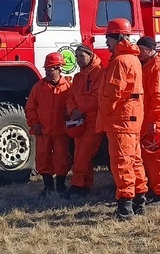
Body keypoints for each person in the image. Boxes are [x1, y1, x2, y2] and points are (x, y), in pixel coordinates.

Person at [97, 19, 147, 219]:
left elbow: (112, 93)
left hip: (121, 120)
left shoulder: (120, 61)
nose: (106, 42)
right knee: (135, 160)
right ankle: (139, 201)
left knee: (121, 162)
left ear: (117, 37)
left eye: (108, 38)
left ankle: (125, 208)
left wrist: (104, 111)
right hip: (131, 119)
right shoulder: (132, 58)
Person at [25, 52, 72, 195]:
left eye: (51, 69)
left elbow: (73, 107)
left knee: (62, 158)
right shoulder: (38, 88)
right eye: (47, 69)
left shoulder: (68, 87)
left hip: (61, 131)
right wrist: (34, 124)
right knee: (43, 158)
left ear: (59, 69)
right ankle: (48, 187)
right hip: (43, 130)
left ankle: (61, 185)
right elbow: (30, 108)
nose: (48, 72)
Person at [136, 36, 160, 205]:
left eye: (141, 50)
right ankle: (159, 190)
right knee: (151, 155)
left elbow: (159, 97)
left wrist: (153, 120)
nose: (139, 53)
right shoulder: (152, 64)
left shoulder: (157, 67)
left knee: (156, 155)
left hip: (156, 119)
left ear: (149, 50)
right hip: (153, 117)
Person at [65, 44, 104, 198]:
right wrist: (73, 111)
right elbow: (71, 96)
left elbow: (97, 98)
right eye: (77, 56)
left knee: (84, 154)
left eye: (81, 56)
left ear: (90, 55)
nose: (78, 59)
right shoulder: (78, 76)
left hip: (93, 119)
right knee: (79, 153)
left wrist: (79, 110)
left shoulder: (99, 73)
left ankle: (78, 185)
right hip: (79, 120)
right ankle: (84, 185)